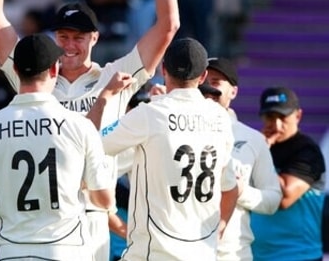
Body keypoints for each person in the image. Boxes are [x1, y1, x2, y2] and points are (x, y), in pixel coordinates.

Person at [0, 0, 179, 258]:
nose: (70, 45)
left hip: (93, 216)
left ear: (95, 38)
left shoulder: (116, 76)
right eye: (63, 36)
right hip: (42, 221)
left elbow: (168, 26)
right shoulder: (34, 76)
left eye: (79, 37)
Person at [0, 33, 115, 261]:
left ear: (14, 70)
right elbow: (103, 200)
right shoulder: (80, 126)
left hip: (12, 253)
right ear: (55, 70)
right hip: (66, 251)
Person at [90, 37, 239, 260]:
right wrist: (219, 230)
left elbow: (90, 143)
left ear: (163, 69)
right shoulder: (220, 117)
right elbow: (231, 189)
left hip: (154, 253)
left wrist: (104, 98)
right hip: (202, 253)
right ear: (203, 76)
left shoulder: (150, 113)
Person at [202, 58, 282, 261]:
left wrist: (240, 191)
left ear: (234, 92)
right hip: (181, 250)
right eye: (203, 81)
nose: (208, 88)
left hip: (232, 254)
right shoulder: (176, 130)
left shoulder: (253, 139)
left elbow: (272, 200)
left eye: (216, 81)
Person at [250, 86, 326, 261]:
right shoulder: (257, 147)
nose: (276, 125)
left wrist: (261, 154)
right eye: (270, 117)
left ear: (298, 115)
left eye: (283, 117)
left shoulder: (308, 152)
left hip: (298, 256)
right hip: (256, 256)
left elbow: (283, 198)